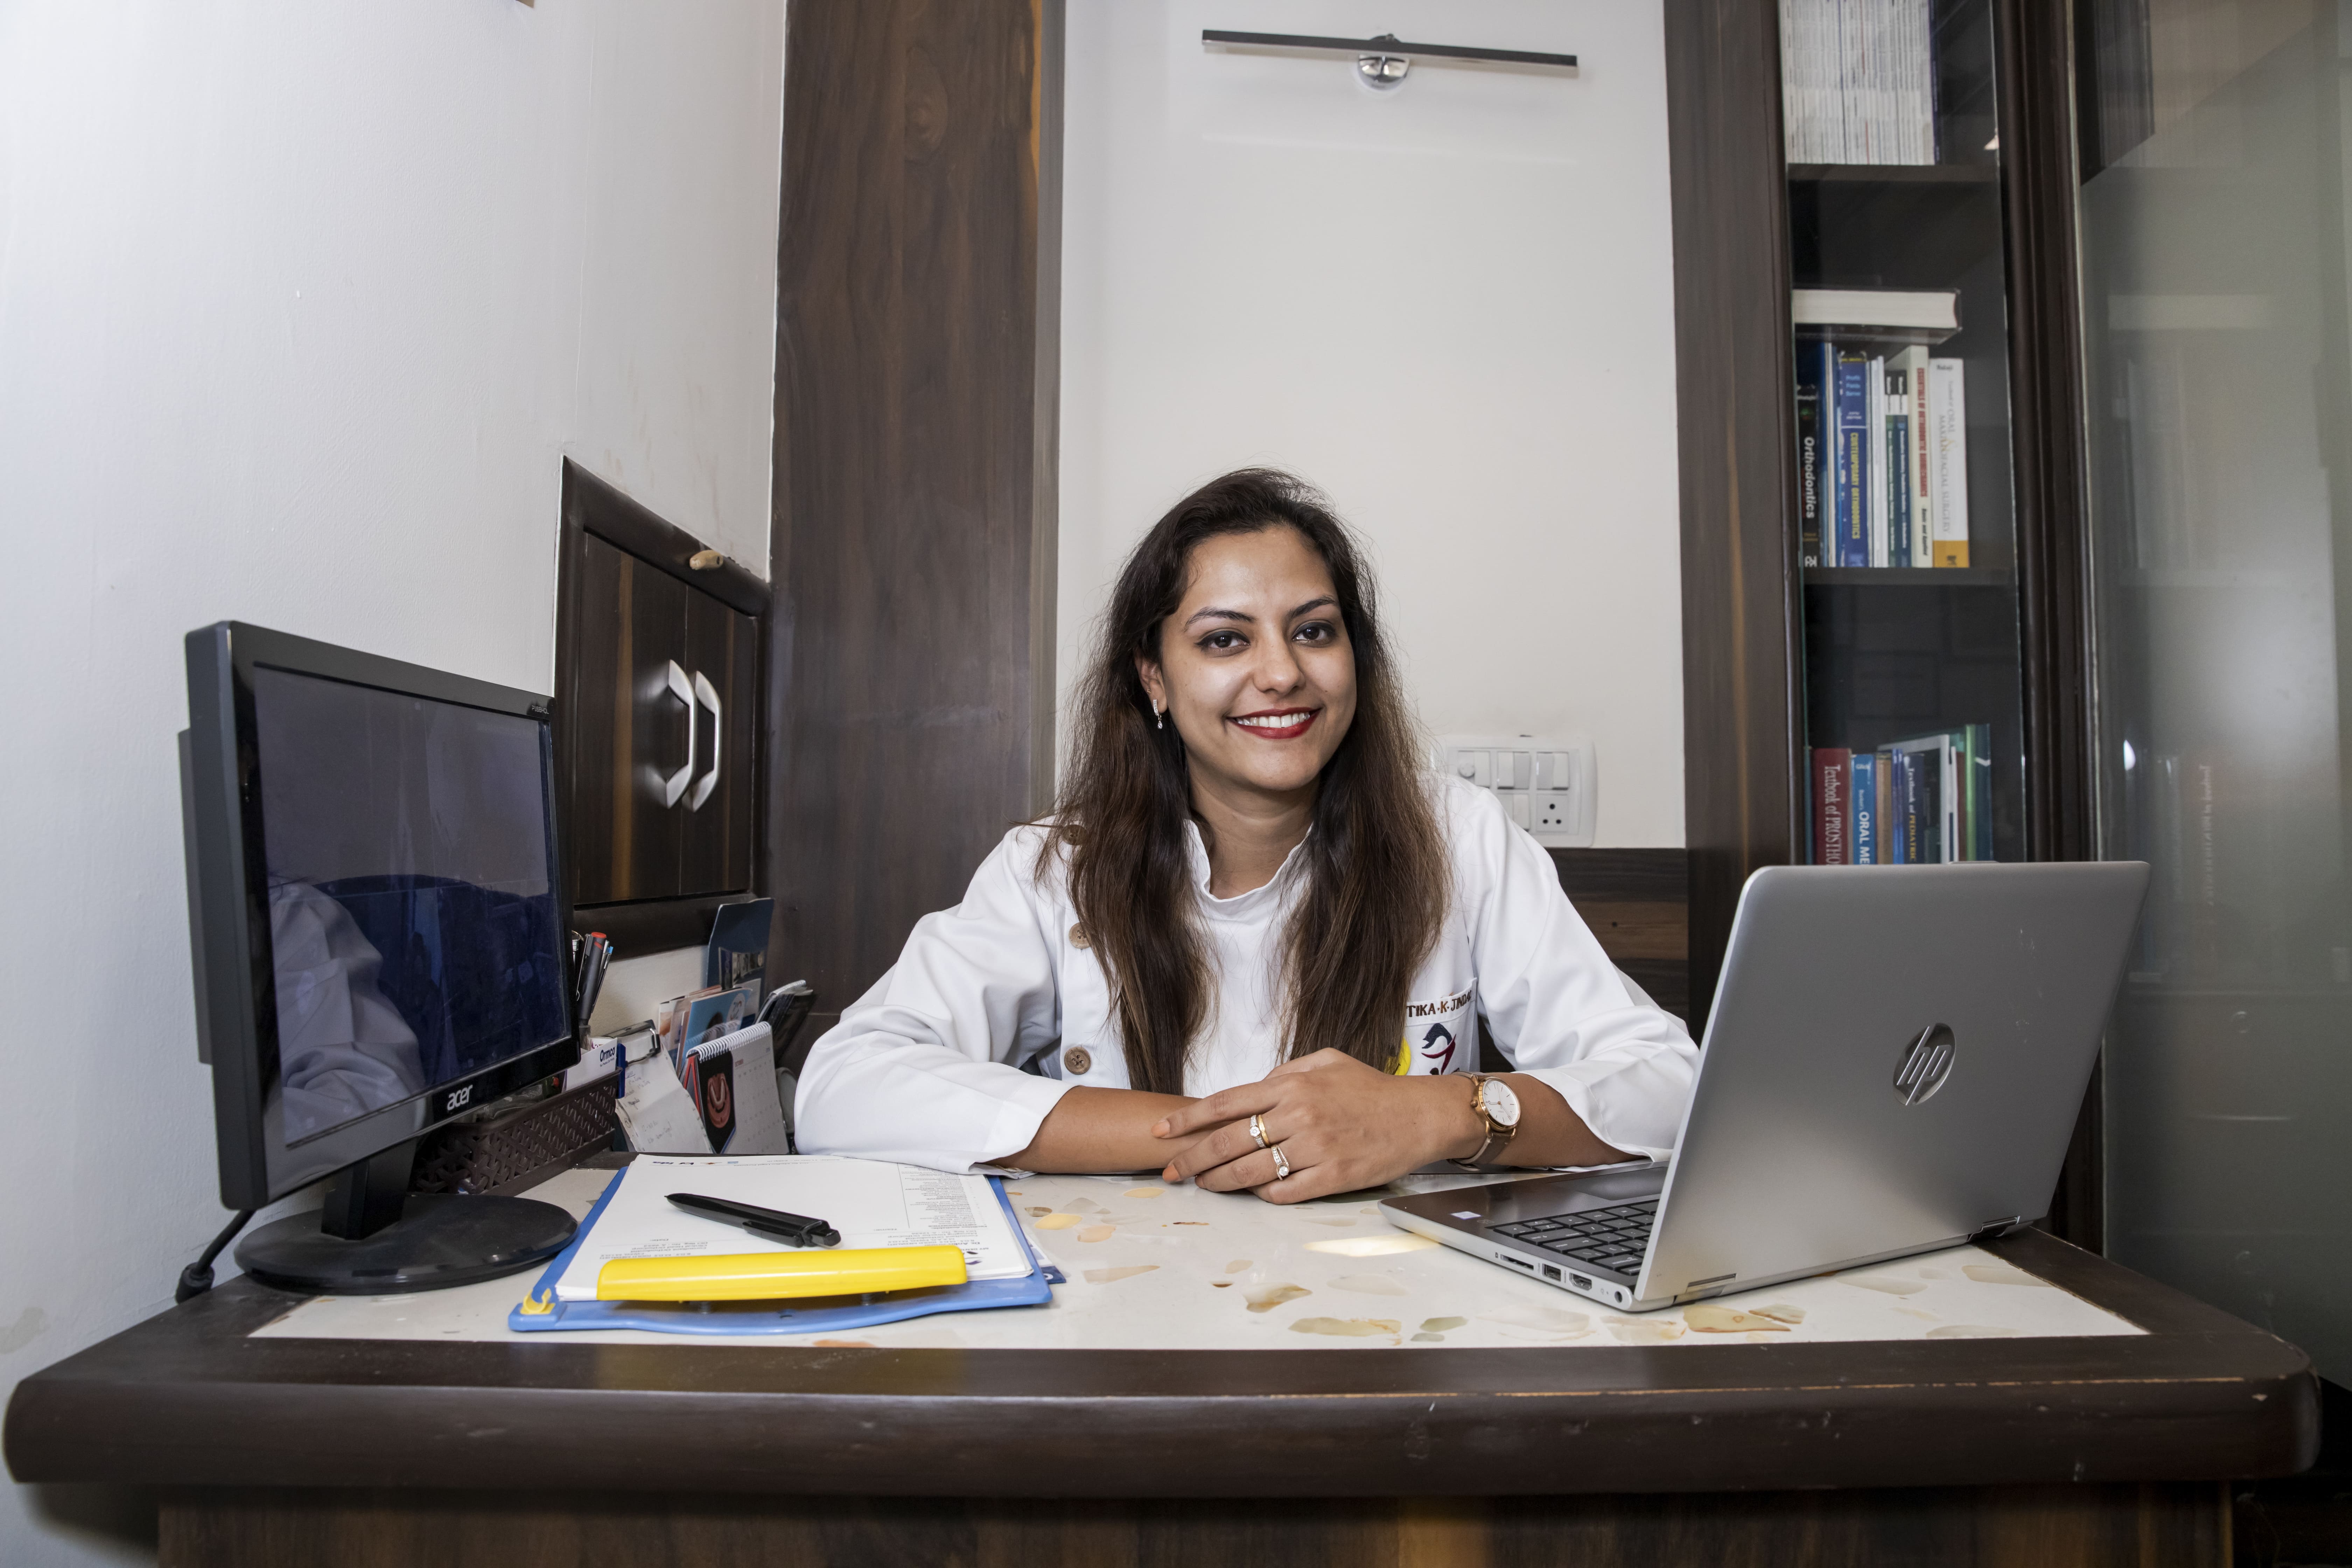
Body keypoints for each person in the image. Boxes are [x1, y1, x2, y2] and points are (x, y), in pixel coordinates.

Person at [793, 469, 1698, 1201]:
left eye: (1314, 631)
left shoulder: (1459, 838)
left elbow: (1671, 1087)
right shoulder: (1052, 870)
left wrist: (1430, 1117)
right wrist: (1220, 1132)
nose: (1281, 673)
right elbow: (842, 1088)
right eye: (1225, 641)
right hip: (1126, 1322)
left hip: (1399, 1331)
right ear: (1153, 677)